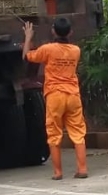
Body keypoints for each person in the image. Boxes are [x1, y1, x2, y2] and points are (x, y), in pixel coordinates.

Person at [22, 17, 88, 180]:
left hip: (54, 95)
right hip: (73, 95)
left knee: (54, 133)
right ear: (70, 32)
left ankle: (58, 172)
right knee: (78, 133)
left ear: (53, 31)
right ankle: (82, 169)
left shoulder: (48, 49)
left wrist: (28, 37)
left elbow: (27, 57)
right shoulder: (76, 50)